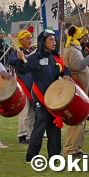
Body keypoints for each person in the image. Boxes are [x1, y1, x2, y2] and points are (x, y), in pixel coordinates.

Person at [16, 30, 65, 162]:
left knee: (54, 124)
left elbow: (65, 70)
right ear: (43, 42)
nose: (54, 42)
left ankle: (54, 156)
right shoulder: (34, 57)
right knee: (42, 120)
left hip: (53, 98)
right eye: (51, 40)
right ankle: (31, 156)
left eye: (54, 40)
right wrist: (20, 60)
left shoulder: (54, 57)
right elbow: (22, 69)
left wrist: (66, 76)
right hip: (41, 97)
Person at [62, 26, 89, 155]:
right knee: (76, 118)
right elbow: (77, 65)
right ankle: (71, 149)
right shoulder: (73, 51)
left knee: (81, 119)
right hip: (77, 89)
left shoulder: (74, 49)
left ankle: (77, 148)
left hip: (80, 88)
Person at [9, 30, 36, 145]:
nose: (30, 40)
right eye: (27, 38)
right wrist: (20, 58)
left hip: (32, 84)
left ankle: (30, 134)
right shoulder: (16, 52)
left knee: (33, 112)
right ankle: (22, 134)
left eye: (30, 38)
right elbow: (11, 61)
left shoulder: (32, 52)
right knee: (24, 111)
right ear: (21, 40)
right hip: (23, 84)